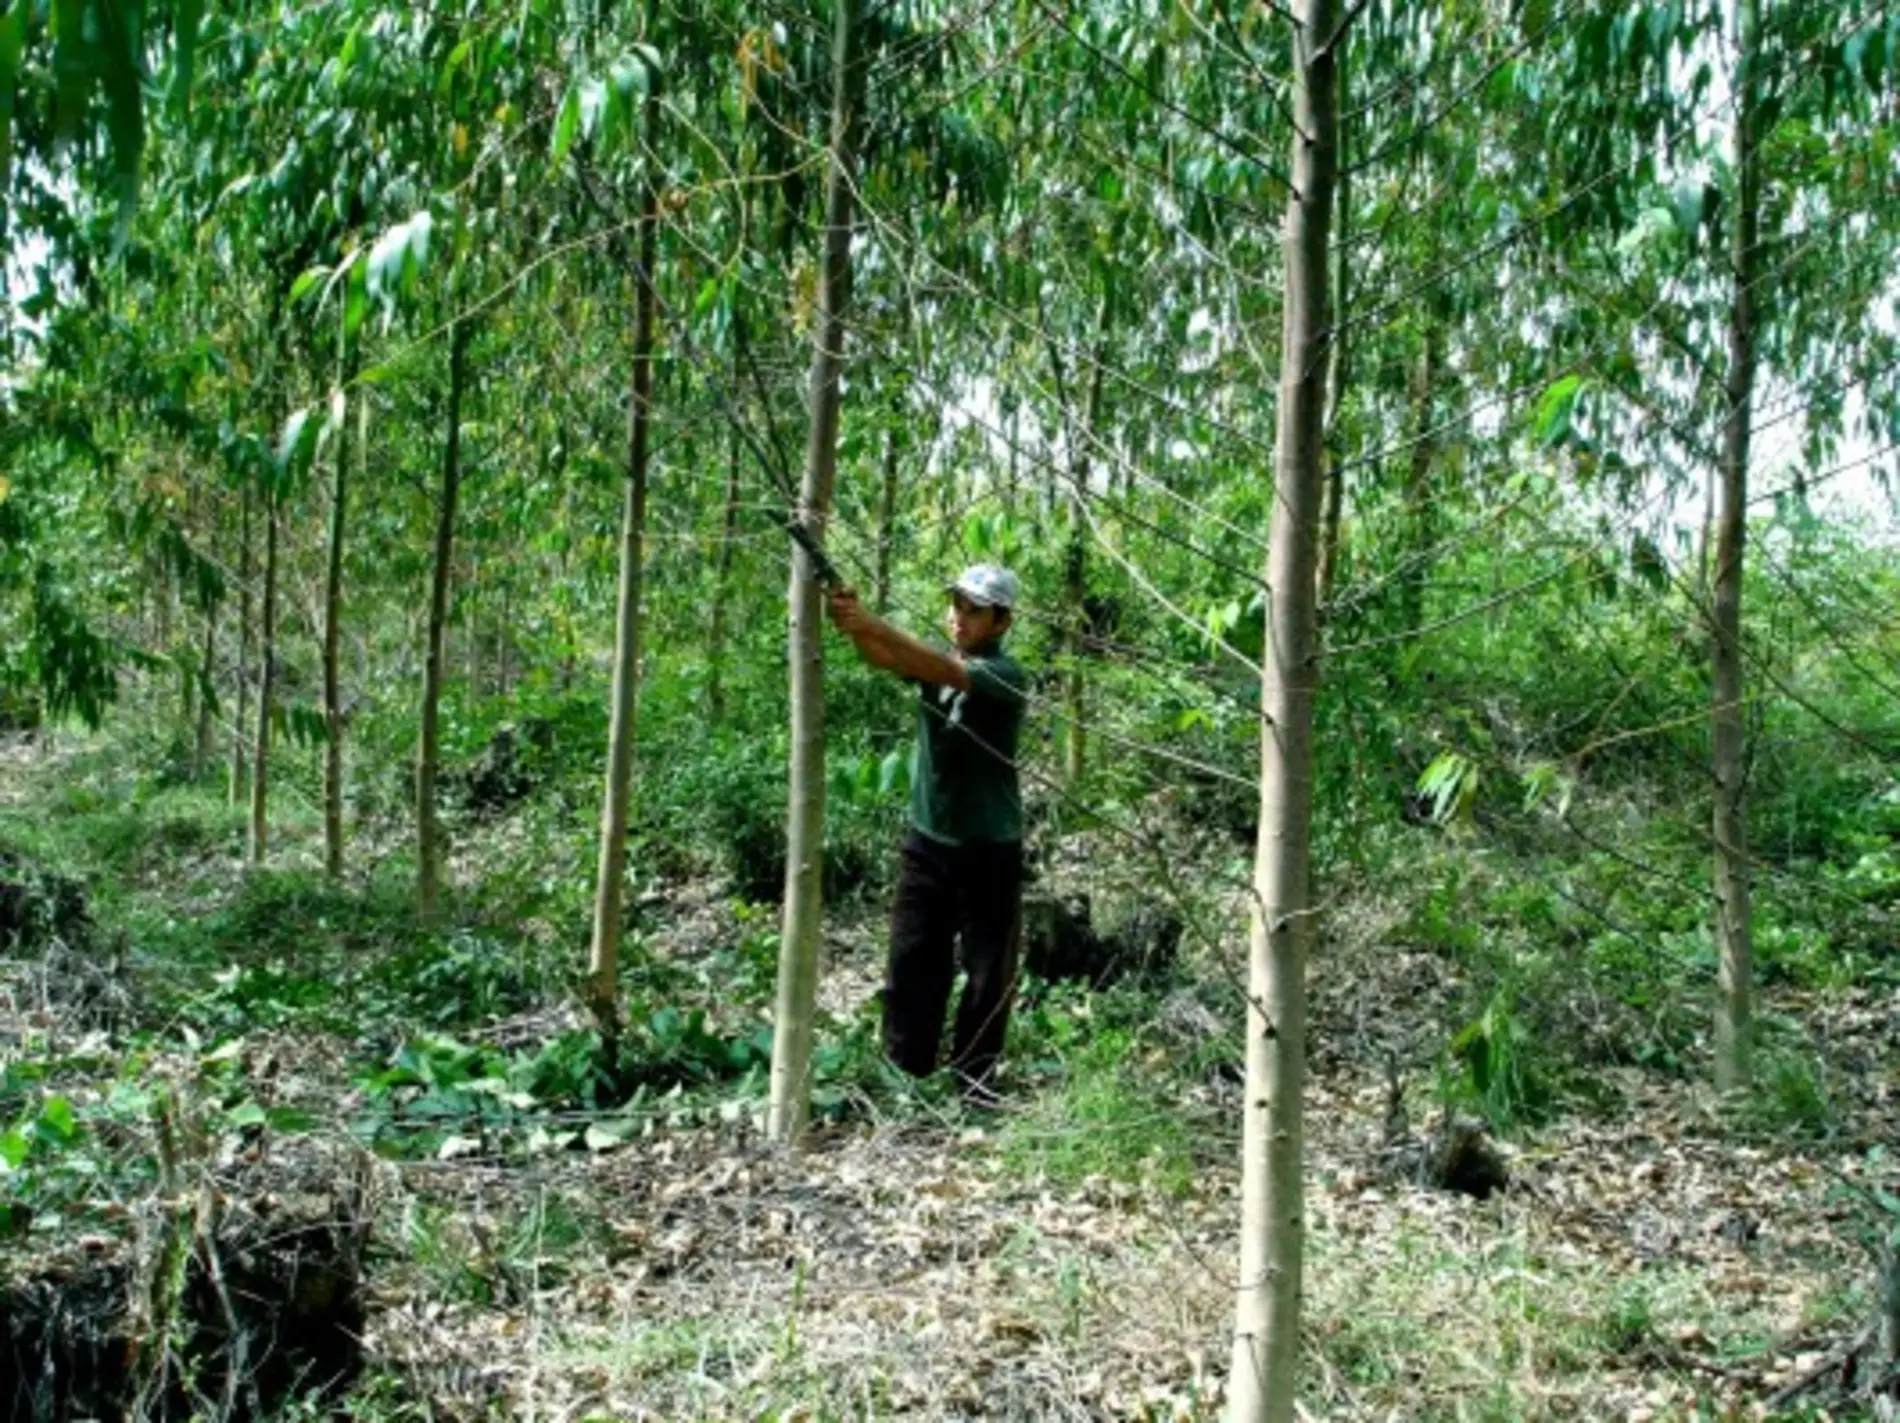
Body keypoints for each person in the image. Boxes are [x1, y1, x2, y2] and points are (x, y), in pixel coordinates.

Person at [826, 564, 1028, 1103]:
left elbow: (938, 667)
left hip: (991, 849)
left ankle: (976, 1081)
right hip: (928, 843)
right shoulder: (939, 665)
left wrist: (870, 621)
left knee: (988, 974)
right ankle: (904, 1074)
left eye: (973, 610)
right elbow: (890, 658)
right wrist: (855, 626)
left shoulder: (1006, 676)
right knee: (913, 959)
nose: (959, 619)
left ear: (1001, 621)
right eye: (956, 606)